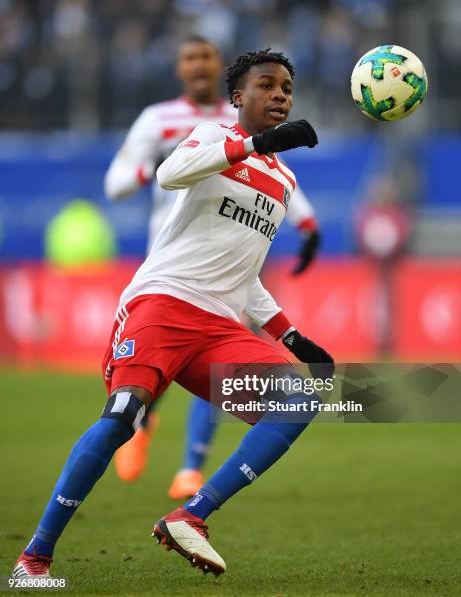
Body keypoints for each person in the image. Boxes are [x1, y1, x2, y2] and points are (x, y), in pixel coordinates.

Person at [13, 48, 333, 579]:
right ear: (237, 96)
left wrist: (293, 338)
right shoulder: (211, 136)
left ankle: (192, 514)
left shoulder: (284, 182)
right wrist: (255, 143)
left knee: (300, 398)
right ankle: (33, 559)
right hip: (162, 302)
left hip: (218, 327)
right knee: (122, 420)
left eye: (287, 88)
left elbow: (242, 268)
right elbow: (169, 174)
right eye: (267, 85)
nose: (280, 94)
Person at [105, 36, 322, 498]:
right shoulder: (163, 121)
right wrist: (157, 162)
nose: (198, 64)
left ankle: (189, 468)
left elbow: (275, 175)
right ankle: (138, 426)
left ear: (220, 67)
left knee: (224, 358)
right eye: (189, 57)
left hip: (229, 265)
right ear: (181, 68)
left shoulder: (256, 135)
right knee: (151, 381)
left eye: (206, 56)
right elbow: (118, 184)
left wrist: (306, 222)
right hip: (172, 263)